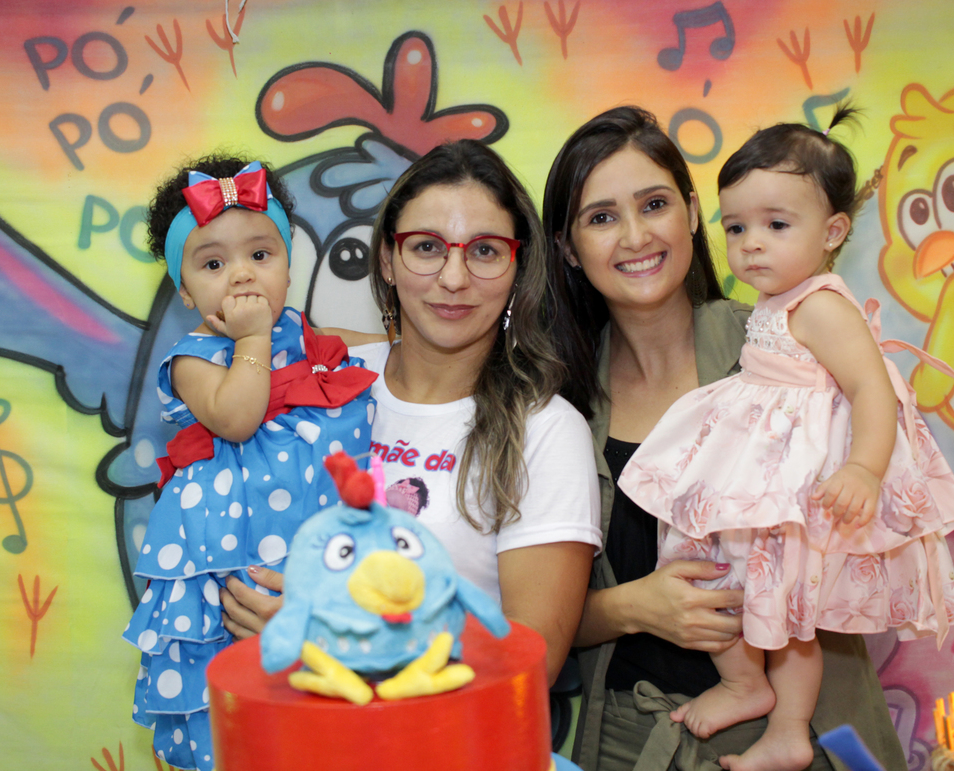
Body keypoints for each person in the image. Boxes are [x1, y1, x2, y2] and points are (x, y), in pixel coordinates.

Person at [543, 106, 918, 771]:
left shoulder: (792, 353)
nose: (635, 235)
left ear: (692, 213)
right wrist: (630, 607)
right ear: (569, 247)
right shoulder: (553, 402)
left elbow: (872, 505)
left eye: (654, 204)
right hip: (629, 740)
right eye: (601, 217)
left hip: (808, 734)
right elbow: (524, 621)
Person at [219, 139, 602, 687]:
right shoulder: (326, 374)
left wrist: (332, 642)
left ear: (518, 267)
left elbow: (530, 666)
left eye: (485, 250)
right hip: (276, 717)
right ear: (387, 261)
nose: (454, 278)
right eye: (426, 247)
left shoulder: (545, 429)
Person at [124, 154, 376, 771]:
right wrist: (254, 339)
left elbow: (377, 360)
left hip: (306, 557)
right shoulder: (193, 359)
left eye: (261, 255)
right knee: (243, 714)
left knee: (318, 722)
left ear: (289, 266)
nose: (241, 275)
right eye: (213, 264)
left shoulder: (309, 338)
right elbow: (238, 417)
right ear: (185, 291)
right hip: (229, 562)